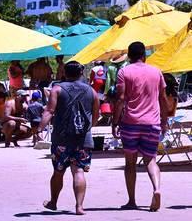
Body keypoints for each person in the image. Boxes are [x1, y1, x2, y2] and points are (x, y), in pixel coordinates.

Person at [113, 42, 168, 212]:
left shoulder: (124, 71)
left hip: (130, 123)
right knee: (150, 159)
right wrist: (164, 121)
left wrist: (115, 121)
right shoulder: (156, 72)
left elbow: (121, 99)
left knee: (130, 163)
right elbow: (163, 99)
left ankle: (131, 200)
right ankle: (156, 188)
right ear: (144, 55)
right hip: (152, 122)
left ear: (129, 56)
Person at [39, 61, 99, 215]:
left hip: (61, 139)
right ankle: (79, 207)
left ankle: (53, 202)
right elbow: (96, 116)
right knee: (79, 171)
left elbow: (50, 111)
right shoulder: (91, 91)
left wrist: (39, 128)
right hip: (83, 139)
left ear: (64, 73)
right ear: (81, 73)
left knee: (58, 171)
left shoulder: (57, 89)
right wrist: (87, 129)